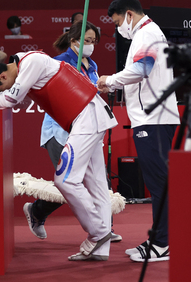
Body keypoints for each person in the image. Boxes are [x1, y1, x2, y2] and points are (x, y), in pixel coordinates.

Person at [0, 50, 117, 261]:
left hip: (86, 117)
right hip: (87, 117)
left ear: (2, 76)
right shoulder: (23, 64)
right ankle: (100, 249)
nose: (4, 90)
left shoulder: (31, 62)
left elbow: (10, 99)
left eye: (1, 88)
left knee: (65, 180)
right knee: (96, 185)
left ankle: (99, 233)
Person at [97, 0, 179, 263]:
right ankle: (160, 239)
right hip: (153, 118)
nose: (119, 28)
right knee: (159, 183)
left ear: (129, 15)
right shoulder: (146, 34)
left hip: (153, 120)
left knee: (159, 184)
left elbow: (143, 68)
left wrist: (110, 80)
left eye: (119, 21)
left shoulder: (146, 33)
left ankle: (163, 244)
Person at [24, 21, 122, 242]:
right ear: (74, 41)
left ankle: (104, 228)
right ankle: (36, 211)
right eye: (86, 41)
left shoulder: (92, 65)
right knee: (70, 182)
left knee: (97, 182)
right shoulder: (58, 63)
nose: (90, 45)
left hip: (88, 131)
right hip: (60, 131)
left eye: (93, 41)